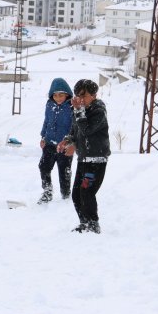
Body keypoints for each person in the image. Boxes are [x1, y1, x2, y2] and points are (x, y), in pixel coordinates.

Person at [57, 79, 110, 234]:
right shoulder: (79, 109)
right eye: (77, 95)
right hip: (83, 158)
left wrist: (79, 110)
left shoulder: (98, 111)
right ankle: (84, 223)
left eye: (83, 95)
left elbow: (86, 130)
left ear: (93, 95)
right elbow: (76, 130)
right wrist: (67, 140)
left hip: (96, 159)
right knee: (76, 194)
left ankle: (93, 225)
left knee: (87, 193)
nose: (79, 99)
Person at [37, 78, 73, 204]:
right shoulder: (49, 105)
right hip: (49, 143)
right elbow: (46, 121)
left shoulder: (71, 107)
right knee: (43, 167)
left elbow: (73, 127)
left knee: (64, 171)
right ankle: (47, 191)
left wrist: (71, 143)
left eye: (61, 95)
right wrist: (43, 137)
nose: (58, 98)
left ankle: (65, 195)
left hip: (64, 145)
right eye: (55, 95)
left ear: (67, 94)